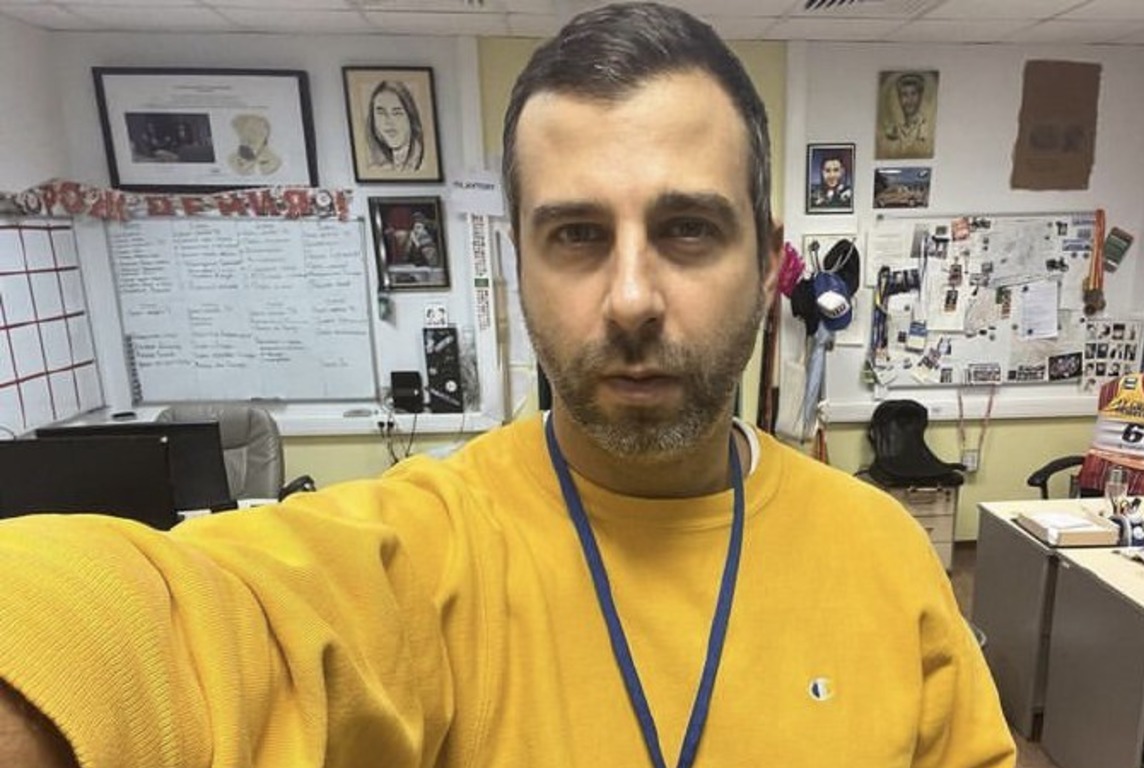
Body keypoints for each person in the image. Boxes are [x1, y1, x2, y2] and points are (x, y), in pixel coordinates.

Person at [0, 4, 1015, 767]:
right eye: (576, 234)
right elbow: (177, 622)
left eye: (686, 229)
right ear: (517, 267)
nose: (630, 298)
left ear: (766, 264)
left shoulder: (885, 556)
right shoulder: (425, 551)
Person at [366, 79, 426, 172]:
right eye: (381, 113)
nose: (388, 121)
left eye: (397, 113)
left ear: (410, 117)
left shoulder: (422, 163)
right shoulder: (377, 166)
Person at [877, 71, 935, 159]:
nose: (909, 100)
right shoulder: (893, 128)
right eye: (904, 94)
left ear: (920, 96)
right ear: (899, 98)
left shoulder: (925, 126)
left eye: (913, 94)